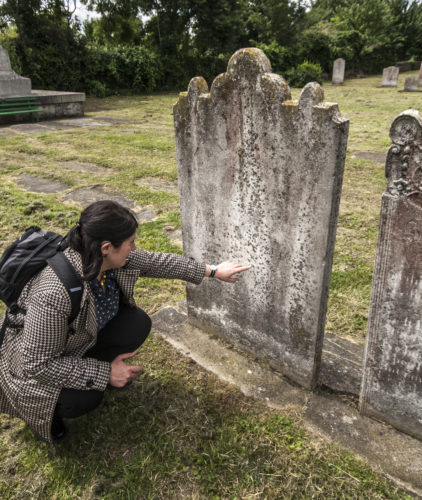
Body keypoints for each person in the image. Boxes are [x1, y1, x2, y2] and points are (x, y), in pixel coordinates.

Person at [0, 200, 251, 443]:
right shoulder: (54, 293)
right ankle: (47, 415)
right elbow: (38, 364)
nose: (134, 248)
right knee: (83, 400)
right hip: (32, 370)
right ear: (106, 247)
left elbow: (158, 262)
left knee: (137, 322)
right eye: (130, 243)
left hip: (75, 343)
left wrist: (214, 271)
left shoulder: (103, 257)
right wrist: (105, 372)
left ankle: (95, 376)